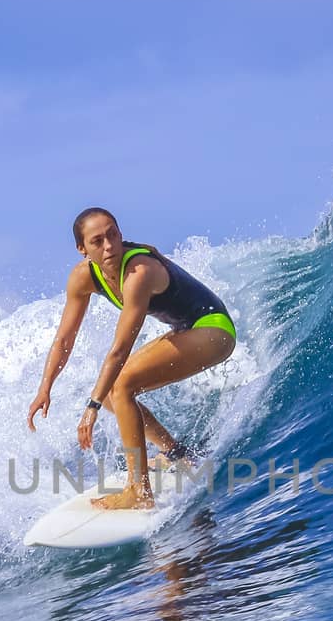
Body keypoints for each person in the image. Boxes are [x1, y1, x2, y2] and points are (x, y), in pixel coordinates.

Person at [25, 207, 236, 510]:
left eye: (113, 234)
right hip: (185, 330)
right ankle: (178, 455)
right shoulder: (83, 277)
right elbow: (64, 339)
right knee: (114, 394)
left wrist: (91, 408)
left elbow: (120, 350)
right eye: (97, 241)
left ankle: (139, 492)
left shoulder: (139, 271)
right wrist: (45, 388)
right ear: (82, 249)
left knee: (119, 386)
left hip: (213, 330)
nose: (109, 245)